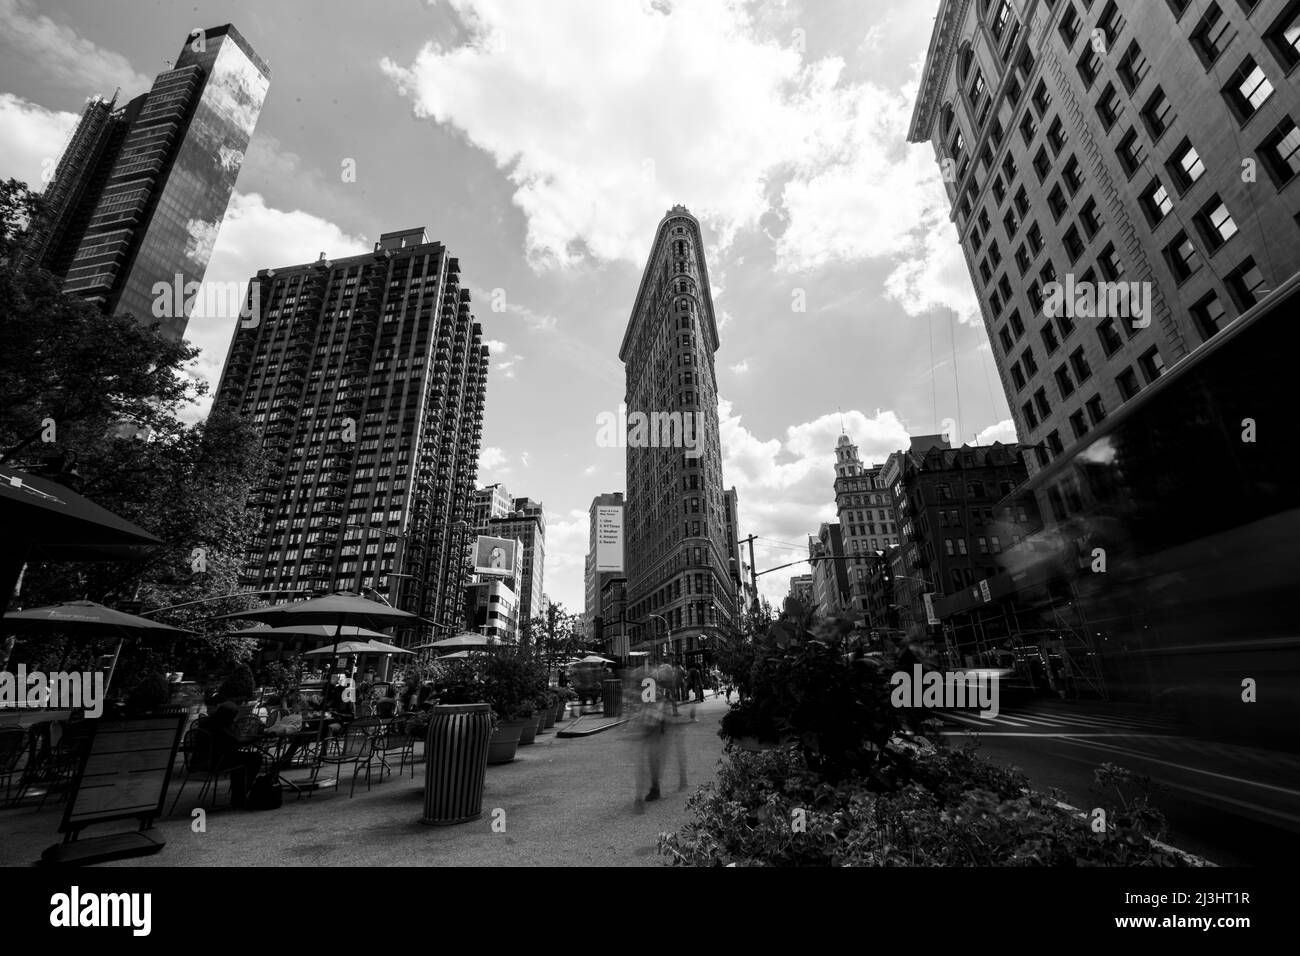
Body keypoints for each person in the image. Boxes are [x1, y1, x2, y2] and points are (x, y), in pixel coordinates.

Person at [195, 701, 263, 809]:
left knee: (241, 760)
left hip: (202, 760)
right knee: (255, 758)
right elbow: (236, 742)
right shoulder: (220, 727)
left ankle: (239, 796)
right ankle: (240, 796)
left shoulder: (207, 723)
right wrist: (258, 738)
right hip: (218, 761)